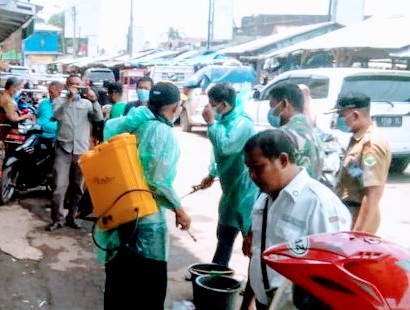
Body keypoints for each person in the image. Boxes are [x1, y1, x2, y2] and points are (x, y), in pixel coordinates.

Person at [96, 81, 191, 310]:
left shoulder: (132, 123)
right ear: (173, 107)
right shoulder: (161, 132)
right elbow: (157, 181)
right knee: (148, 287)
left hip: (119, 209)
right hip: (145, 218)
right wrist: (179, 209)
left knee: (119, 281)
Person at [243, 129, 352, 310]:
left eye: (258, 167)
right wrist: (247, 304)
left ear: (283, 160)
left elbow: (334, 276)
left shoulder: (320, 205)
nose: (252, 176)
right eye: (249, 168)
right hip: (265, 302)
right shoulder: (263, 200)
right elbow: (257, 256)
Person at [200, 83, 259, 267]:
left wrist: (210, 123)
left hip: (243, 189)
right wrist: (211, 174)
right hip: (230, 187)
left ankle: (254, 282)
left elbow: (225, 147)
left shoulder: (242, 123)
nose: (210, 108)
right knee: (225, 233)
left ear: (223, 104)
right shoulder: (227, 119)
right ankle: (217, 271)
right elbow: (218, 153)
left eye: (213, 104)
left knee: (250, 239)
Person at [46, 74, 103, 231]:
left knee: (77, 187)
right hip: (63, 149)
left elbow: (98, 118)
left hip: (81, 150)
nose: (75, 87)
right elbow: (57, 116)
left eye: (78, 85)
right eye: (72, 84)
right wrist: (69, 99)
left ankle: (72, 217)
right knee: (59, 186)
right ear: (66, 85)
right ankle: (57, 219)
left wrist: (94, 100)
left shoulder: (86, 103)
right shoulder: (58, 101)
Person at [328, 91, 391, 234]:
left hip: (358, 218)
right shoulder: (358, 138)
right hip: (348, 213)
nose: (339, 120)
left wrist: (358, 233)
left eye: (341, 116)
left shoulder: (371, 144)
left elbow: (373, 193)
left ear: (355, 115)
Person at [267, 82, 323, 180]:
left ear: (284, 104)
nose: (271, 112)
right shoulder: (314, 133)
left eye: (272, 107)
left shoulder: (283, 135)